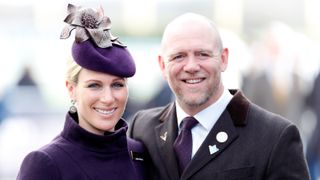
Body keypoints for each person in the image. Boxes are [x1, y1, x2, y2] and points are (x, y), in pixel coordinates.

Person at [128, 13, 310, 180]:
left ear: (223, 59)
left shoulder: (276, 137)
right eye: (178, 56)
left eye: (202, 54)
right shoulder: (142, 128)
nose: (191, 66)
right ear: (162, 65)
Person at [17, 4, 146, 180]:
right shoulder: (46, 164)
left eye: (117, 85)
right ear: (71, 89)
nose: (108, 98)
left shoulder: (139, 154)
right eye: (94, 85)